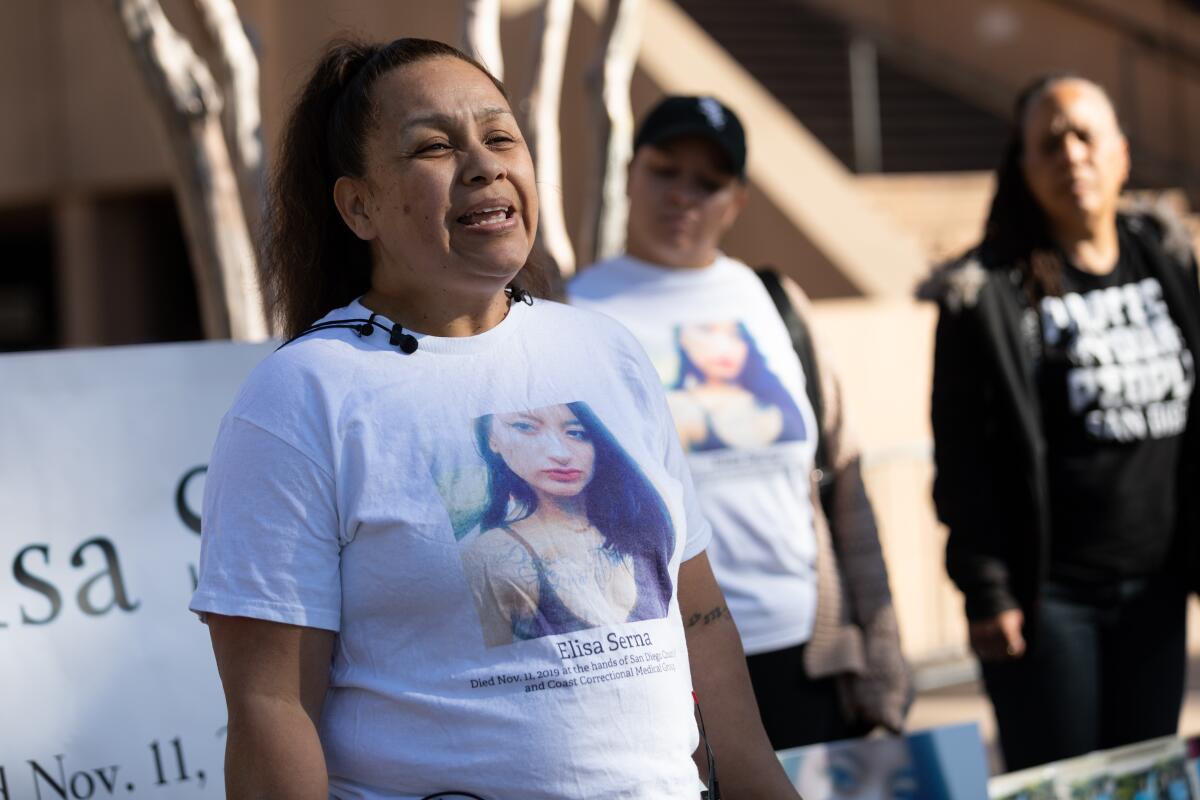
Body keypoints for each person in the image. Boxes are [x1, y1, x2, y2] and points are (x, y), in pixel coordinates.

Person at [188, 37, 802, 799]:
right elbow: (272, 709)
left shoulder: (605, 350)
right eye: (436, 147)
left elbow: (700, 618)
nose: (483, 164)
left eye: (501, 135)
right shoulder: (301, 396)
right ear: (359, 205)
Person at [570, 95, 911, 749]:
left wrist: (883, 656)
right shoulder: (576, 312)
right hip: (661, 663)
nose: (683, 197)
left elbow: (844, 482)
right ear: (629, 172)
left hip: (803, 653)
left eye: (708, 183)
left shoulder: (776, 303)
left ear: (737, 201)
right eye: (666, 171)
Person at [922, 73, 1200, 770]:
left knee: (1145, 781)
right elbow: (960, 454)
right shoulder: (986, 291)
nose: (1072, 154)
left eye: (1086, 136)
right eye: (1050, 142)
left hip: (1157, 591)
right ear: (1023, 167)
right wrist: (986, 587)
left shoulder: (1164, 256)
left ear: (1122, 154)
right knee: (1062, 784)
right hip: (1048, 604)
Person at [462, 401, 674, 646]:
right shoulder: (492, 554)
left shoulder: (643, 525)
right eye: (526, 427)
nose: (561, 454)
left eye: (577, 433)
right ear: (492, 439)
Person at [670, 321, 808, 451]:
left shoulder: (772, 392)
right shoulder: (676, 406)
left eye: (736, 334)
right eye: (707, 330)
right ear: (682, 338)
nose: (724, 346)